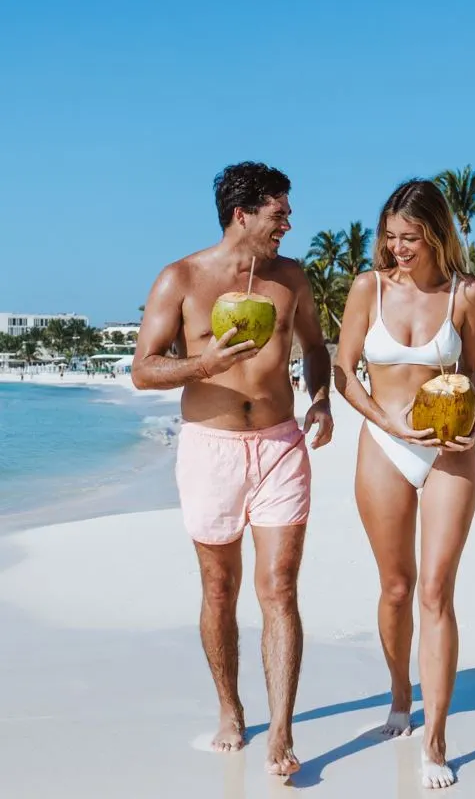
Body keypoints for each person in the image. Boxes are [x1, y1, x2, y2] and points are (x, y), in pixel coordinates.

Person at [131, 161, 333, 776]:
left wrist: (319, 396)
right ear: (242, 214)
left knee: (280, 589)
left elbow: (316, 348)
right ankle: (229, 708)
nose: (289, 223)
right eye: (279, 213)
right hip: (209, 448)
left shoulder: (291, 277)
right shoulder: (183, 278)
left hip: (279, 444)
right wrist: (204, 362)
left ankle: (282, 731)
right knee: (220, 589)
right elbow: (143, 369)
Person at [334, 179, 475, 789]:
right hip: (385, 444)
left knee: (435, 592)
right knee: (396, 588)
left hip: (450, 451)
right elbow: (345, 373)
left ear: (437, 234)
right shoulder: (367, 289)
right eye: (390, 237)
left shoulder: (466, 293)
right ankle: (400, 693)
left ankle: (437, 736)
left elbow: (472, 375)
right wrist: (385, 419)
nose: (398, 249)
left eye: (411, 238)